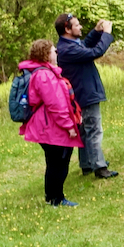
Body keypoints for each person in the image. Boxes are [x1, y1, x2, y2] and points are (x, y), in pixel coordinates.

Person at [17, 40, 83, 207]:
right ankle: (57, 198)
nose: (56, 53)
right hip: (49, 126)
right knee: (59, 161)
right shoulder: (44, 75)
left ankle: (52, 196)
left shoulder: (44, 72)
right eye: (54, 51)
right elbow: (56, 104)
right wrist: (69, 126)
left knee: (54, 161)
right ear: (45, 54)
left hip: (46, 125)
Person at [54, 13, 119, 179]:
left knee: (85, 130)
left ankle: (87, 164)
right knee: (94, 130)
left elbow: (85, 45)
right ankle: (100, 167)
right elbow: (95, 52)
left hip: (82, 93)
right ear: (67, 30)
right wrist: (106, 34)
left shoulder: (69, 44)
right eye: (77, 25)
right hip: (85, 94)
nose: (80, 27)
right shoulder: (67, 49)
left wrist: (96, 32)